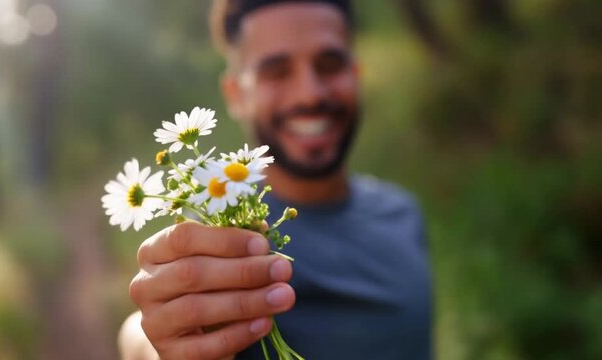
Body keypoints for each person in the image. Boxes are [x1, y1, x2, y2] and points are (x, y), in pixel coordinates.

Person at [119, 0, 432, 359]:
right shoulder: (224, 232)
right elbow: (142, 331)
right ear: (236, 95)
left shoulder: (403, 215)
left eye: (329, 66)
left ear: (355, 74)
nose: (310, 93)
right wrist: (156, 345)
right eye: (276, 72)